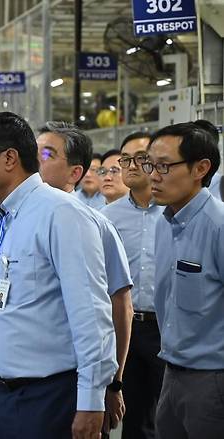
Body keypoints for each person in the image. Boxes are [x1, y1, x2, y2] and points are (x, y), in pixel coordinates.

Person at [0, 112, 117, 439]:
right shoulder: (7, 217)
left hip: (51, 397)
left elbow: (90, 314)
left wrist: (91, 400)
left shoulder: (61, 214)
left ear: (9, 158)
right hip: (8, 394)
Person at [36, 122, 134, 435]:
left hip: (71, 382)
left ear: (74, 173)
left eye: (47, 154)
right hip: (27, 382)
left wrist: (113, 382)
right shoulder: (20, 219)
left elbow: (119, 306)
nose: (34, 160)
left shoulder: (95, 225)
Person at [142, 120, 224, 439]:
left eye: (164, 166)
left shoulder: (217, 227)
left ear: (200, 168)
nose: (152, 175)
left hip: (212, 381)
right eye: (151, 164)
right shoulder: (166, 223)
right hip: (172, 374)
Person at [101, 132, 165, 439]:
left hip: (166, 329)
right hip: (124, 329)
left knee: (169, 414)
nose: (130, 166)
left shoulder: (174, 212)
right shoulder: (107, 217)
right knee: (133, 417)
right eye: (125, 159)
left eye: (139, 159)